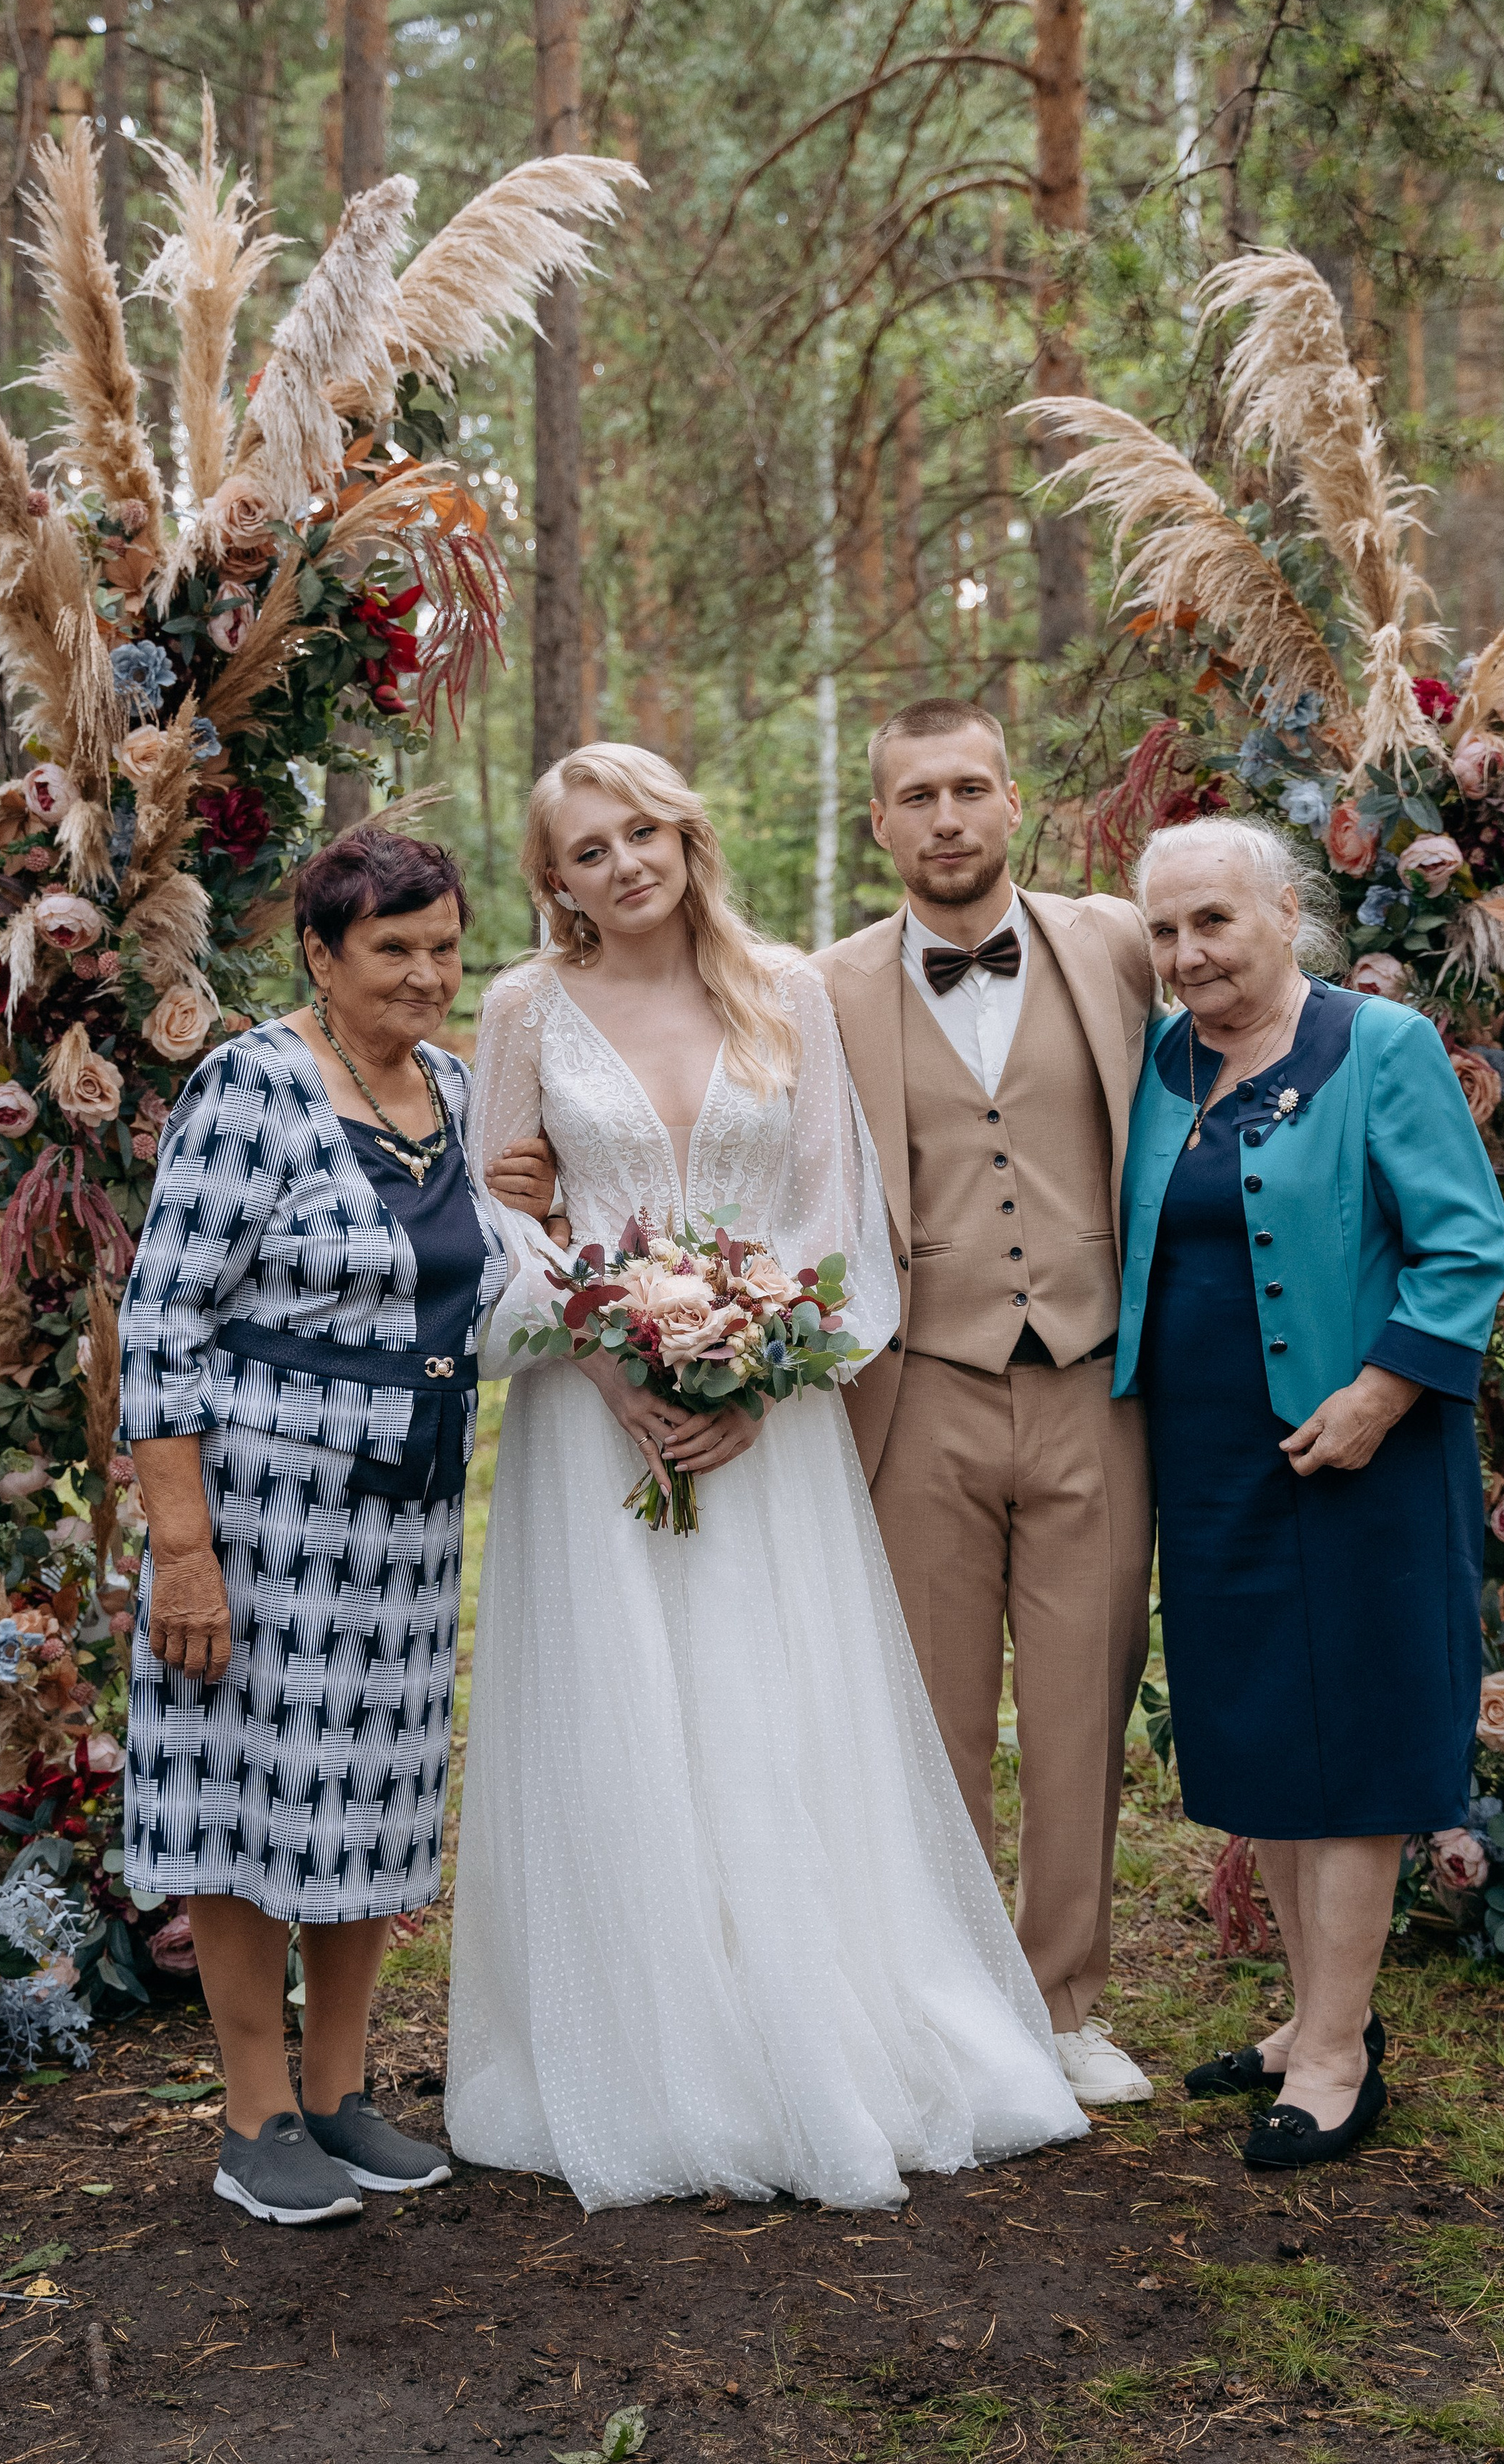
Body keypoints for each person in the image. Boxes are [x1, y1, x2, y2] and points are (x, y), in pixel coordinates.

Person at [446, 740, 1086, 2212]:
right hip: (588, 1414)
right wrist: (615, 1369)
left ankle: (818, 2024)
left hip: (766, 1417)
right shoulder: (522, 1007)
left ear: (686, 834)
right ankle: (647, 2041)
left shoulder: (783, 989)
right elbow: (499, 1217)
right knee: (623, 1712)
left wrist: (751, 1374)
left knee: (774, 1705)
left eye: (645, 831)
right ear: (554, 882)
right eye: (589, 849)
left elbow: (834, 1209)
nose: (625, 863)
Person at [118, 825, 556, 2228]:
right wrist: (181, 1548)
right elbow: (163, 1324)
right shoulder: (249, 1087)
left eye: (444, 948)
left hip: (407, 1523)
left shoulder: (449, 1088)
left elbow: (477, 1282)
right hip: (258, 1518)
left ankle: (338, 2086)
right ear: (319, 953)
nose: (427, 976)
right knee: (254, 1804)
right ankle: (253, 2115)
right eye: (392, 950)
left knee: (372, 1800)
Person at [1116, 815, 1504, 2168]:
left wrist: (1382, 1396)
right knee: (1269, 1742)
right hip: (1213, 1454)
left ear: (1289, 913)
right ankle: (1305, 2017)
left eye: (1214, 920)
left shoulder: (1376, 1045)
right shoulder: (1164, 1062)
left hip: (1362, 1453)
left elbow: (1465, 1244)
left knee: (1353, 1748)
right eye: (1165, 930)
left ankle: (1342, 2051)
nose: (1188, 953)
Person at [813, 698, 1158, 2106]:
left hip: (1096, 1387)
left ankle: (1065, 2002)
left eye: (969, 790)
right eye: (917, 797)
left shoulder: (1122, 945)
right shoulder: (818, 988)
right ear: (878, 824)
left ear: (1015, 803)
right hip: (917, 1392)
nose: (945, 819)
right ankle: (946, 2003)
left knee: (1081, 1708)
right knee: (931, 1716)